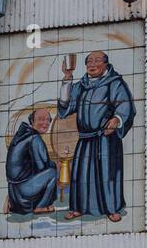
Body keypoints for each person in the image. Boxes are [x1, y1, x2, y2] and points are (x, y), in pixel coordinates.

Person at [56, 50, 136, 221]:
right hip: (85, 138)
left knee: (108, 174)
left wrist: (117, 118)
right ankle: (79, 207)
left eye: (97, 60)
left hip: (106, 137)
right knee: (82, 175)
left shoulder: (114, 83)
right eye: (89, 61)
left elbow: (125, 105)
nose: (92, 64)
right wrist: (67, 78)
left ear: (106, 64)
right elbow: (66, 106)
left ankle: (112, 209)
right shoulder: (82, 85)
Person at [5, 106, 58, 214]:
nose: (46, 123)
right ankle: (41, 206)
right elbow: (42, 167)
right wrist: (55, 165)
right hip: (24, 190)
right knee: (52, 172)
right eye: (41, 119)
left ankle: (10, 201)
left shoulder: (21, 134)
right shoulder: (35, 138)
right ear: (32, 121)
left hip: (14, 192)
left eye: (48, 120)